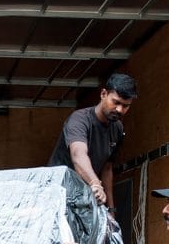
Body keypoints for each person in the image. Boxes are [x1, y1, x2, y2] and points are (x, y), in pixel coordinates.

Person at [47, 73, 137, 210]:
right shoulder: (79, 119)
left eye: (126, 106)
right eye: (116, 102)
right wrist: (94, 183)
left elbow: (107, 168)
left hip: (84, 197)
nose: (120, 109)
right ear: (103, 94)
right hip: (57, 194)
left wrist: (110, 208)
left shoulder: (117, 128)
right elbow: (78, 155)